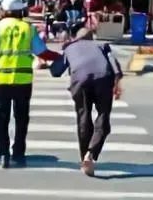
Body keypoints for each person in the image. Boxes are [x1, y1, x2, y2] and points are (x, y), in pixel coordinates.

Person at [0, 0, 61, 168]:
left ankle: (3, 154)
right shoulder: (28, 29)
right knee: (21, 118)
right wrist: (59, 56)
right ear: (21, 11)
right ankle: (18, 154)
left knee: (1, 118)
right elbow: (42, 52)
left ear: (3, 11)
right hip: (23, 80)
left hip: (0, 80)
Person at [51, 28, 123, 177]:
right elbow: (115, 67)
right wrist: (117, 84)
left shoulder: (70, 47)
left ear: (76, 38)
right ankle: (90, 154)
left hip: (80, 81)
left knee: (83, 117)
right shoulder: (102, 46)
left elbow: (56, 71)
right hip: (103, 79)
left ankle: (84, 157)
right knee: (103, 116)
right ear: (91, 37)